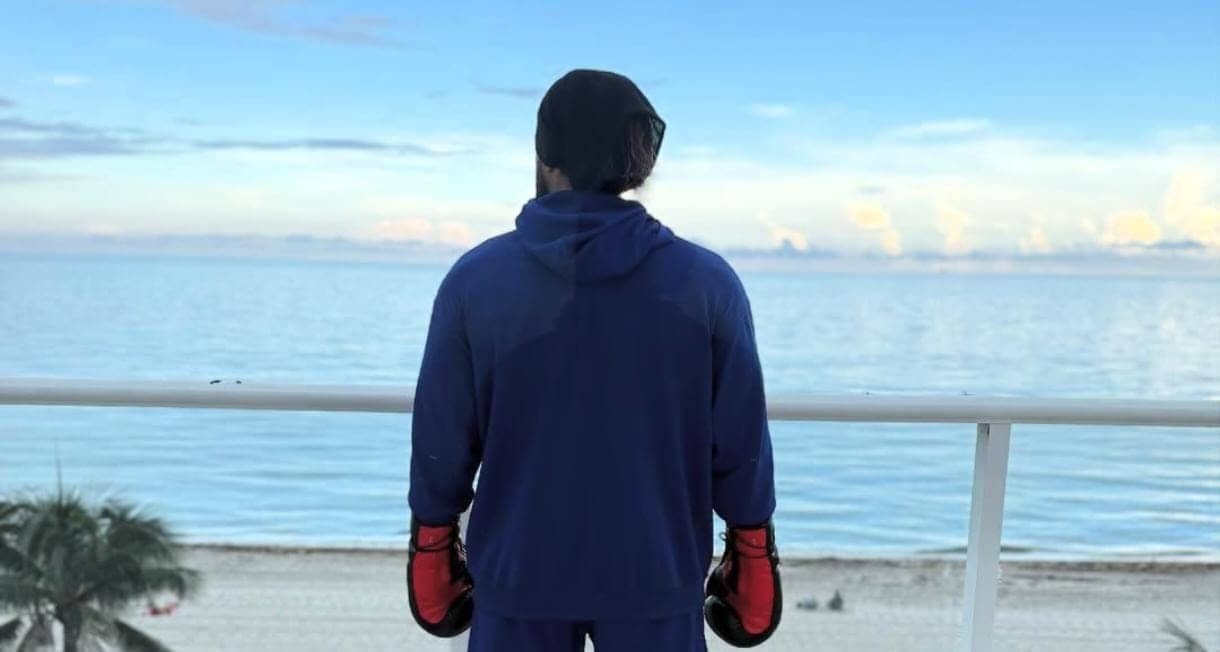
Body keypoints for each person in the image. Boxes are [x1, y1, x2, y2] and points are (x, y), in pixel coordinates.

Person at [407, 69, 781, 651]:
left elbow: (442, 434)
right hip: (656, 571)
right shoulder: (707, 284)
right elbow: (741, 439)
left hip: (519, 570)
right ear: (640, 159)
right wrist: (752, 546)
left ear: (543, 152)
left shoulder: (475, 281)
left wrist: (431, 537)